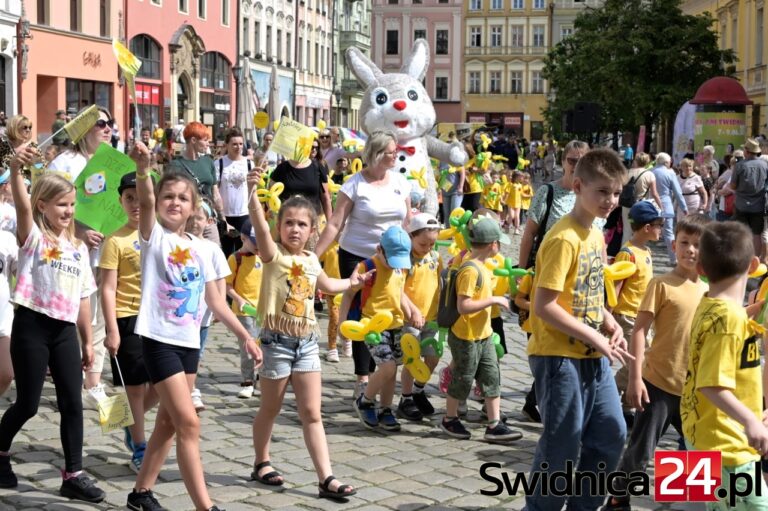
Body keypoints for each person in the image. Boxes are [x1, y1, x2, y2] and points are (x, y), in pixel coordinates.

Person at [126, 143, 262, 511]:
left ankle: (140, 493)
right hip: (158, 340)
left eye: (182, 198)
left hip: (189, 343)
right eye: (167, 196)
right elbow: (145, 197)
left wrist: (246, 337)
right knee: (189, 424)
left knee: (169, 423)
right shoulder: (154, 237)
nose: (174, 202)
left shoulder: (208, 250)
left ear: (193, 207)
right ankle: (206, 507)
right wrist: (143, 170)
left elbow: (217, 302)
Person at [245, 164, 367, 500]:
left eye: (302, 224)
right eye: (288, 223)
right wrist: (253, 194)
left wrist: (353, 283)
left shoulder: (313, 260)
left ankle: (325, 477)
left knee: (312, 413)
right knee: (270, 408)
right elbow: (258, 224)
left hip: (307, 344)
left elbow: (328, 285)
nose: (294, 229)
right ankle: (261, 462)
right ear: (279, 227)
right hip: (276, 344)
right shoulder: (273, 255)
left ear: (313, 230)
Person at [525, 149, 631, 510]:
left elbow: (582, 290)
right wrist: (596, 336)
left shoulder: (593, 234)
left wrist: (608, 319)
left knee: (610, 435)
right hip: (558, 357)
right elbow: (545, 306)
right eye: (602, 192)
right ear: (577, 185)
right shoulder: (563, 238)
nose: (611, 201)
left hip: (592, 354)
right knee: (561, 449)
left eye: (616, 193)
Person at [0, 151, 105, 502]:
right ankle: (0, 452)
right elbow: (22, 207)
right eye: (62, 204)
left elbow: (84, 297)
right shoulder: (32, 239)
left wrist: (88, 342)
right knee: (28, 404)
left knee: (72, 403)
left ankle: (73, 473)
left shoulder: (76, 249)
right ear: (43, 205)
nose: (69, 211)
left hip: (63, 332)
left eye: (72, 204)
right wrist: (16, 169)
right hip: (31, 326)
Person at [604, 214, 711, 510]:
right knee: (640, 451)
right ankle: (617, 499)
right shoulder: (661, 284)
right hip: (658, 384)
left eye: (698, 245)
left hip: (693, 389)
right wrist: (635, 377)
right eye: (685, 243)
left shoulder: (708, 292)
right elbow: (639, 330)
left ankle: (676, 500)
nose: (691, 250)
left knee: (694, 448)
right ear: (674, 245)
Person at [315, 131, 412, 397]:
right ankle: (362, 378)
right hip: (358, 257)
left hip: (392, 261)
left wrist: (412, 254)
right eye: (392, 151)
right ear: (378, 154)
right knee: (364, 316)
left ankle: (382, 372)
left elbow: (406, 222)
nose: (396, 155)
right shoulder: (354, 184)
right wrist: (314, 257)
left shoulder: (401, 182)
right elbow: (336, 223)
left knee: (389, 313)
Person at [680, 221, 768, 509]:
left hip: (703, 434)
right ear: (755, 265)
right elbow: (711, 384)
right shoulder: (729, 320)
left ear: (701, 268)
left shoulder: (708, 304)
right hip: (728, 445)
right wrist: (750, 420)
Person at [49, 106, 115, 410]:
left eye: (110, 123)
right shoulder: (66, 162)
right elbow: (48, 208)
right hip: (70, 254)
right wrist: (78, 233)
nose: (107, 128)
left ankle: (92, 383)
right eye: (100, 123)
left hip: (106, 254)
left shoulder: (114, 162)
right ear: (84, 127)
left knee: (100, 319)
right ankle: (67, 380)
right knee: (71, 320)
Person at [439, 215, 521, 442]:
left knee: (491, 376)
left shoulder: (483, 267)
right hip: (465, 336)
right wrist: (494, 300)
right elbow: (463, 306)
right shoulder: (470, 270)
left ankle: (494, 424)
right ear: (492, 244)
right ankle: (450, 418)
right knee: (463, 378)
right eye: (499, 243)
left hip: (483, 335)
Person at [100, 172, 159, 473]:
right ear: (121, 201)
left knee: (164, 384)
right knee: (135, 388)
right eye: (129, 198)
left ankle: (125, 420)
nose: (135, 204)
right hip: (128, 317)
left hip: (159, 318)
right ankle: (139, 446)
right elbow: (108, 288)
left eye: (140, 196)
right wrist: (112, 329)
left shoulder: (161, 233)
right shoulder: (116, 239)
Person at [350, 226, 412, 432]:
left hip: (396, 324)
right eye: (391, 259)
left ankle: (386, 409)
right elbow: (349, 294)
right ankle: (365, 400)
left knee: (392, 371)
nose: (395, 265)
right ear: (380, 249)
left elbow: (399, 292)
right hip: (373, 326)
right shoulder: (367, 267)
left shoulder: (400, 267)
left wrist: (412, 310)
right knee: (387, 367)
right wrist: (343, 323)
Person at [610, 201, 663, 426]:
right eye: (659, 225)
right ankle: (610, 391)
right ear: (647, 228)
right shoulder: (628, 253)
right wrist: (608, 315)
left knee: (640, 359)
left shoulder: (646, 250)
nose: (662, 229)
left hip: (640, 315)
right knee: (640, 360)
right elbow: (616, 286)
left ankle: (626, 408)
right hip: (626, 315)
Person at [396, 213, 442, 421]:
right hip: (411, 319)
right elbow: (397, 290)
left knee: (434, 357)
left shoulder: (435, 257)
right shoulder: (405, 260)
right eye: (423, 244)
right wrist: (412, 310)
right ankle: (405, 398)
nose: (428, 248)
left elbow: (439, 283)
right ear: (411, 237)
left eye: (432, 244)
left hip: (432, 317)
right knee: (412, 360)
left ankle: (418, 389)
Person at [164, 121, 226, 245]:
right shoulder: (175, 166)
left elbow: (215, 193)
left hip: (208, 220)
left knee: (214, 254)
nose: (208, 143)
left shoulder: (208, 161)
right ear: (193, 140)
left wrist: (222, 218)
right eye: (205, 140)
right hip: (186, 222)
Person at [225, 218, 263, 398]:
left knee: (264, 345)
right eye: (254, 243)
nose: (258, 247)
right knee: (248, 346)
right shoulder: (235, 259)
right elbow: (226, 285)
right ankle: (248, 381)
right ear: (243, 238)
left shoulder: (264, 258)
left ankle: (262, 379)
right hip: (244, 312)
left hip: (263, 311)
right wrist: (239, 299)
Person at [270, 139, 332, 221]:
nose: (313, 149)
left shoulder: (318, 167)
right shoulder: (282, 168)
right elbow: (271, 196)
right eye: (311, 147)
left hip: (313, 221)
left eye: (316, 148)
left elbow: (325, 198)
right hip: (288, 221)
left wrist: (330, 223)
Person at [216, 127, 252, 257]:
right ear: (227, 145)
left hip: (244, 214)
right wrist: (221, 216)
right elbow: (215, 189)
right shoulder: (219, 163)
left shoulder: (249, 164)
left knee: (243, 253)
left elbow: (254, 189)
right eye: (234, 144)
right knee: (226, 253)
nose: (238, 147)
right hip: (225, 215)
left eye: (241, 144)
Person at [730, 138, 768, 260]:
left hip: (741, 205)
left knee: (741, 232)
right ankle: (755, 259)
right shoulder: (764, 165)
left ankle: (742, 258)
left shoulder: (740, 165)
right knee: (756, 234)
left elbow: (733, 185)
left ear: (747, 151)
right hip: (759, 205)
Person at [652, 152, 688, 265]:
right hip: (666, 206)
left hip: (651, 205)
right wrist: (684, 208)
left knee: (648, 230)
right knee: (668, 233)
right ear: (666, 162)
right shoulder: (670, 173)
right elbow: (678, 193)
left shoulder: (650, 172)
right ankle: (674, 259)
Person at [620, 152, 663, 244]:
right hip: (641, 206)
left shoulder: (628, 172)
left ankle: (624, 252)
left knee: (627, 230)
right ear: (647, 162)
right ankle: (638, 250)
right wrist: (660, 207)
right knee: (640, 230)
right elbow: (654, 193)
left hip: (627, 204)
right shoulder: (649, 174)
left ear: (636, 160)